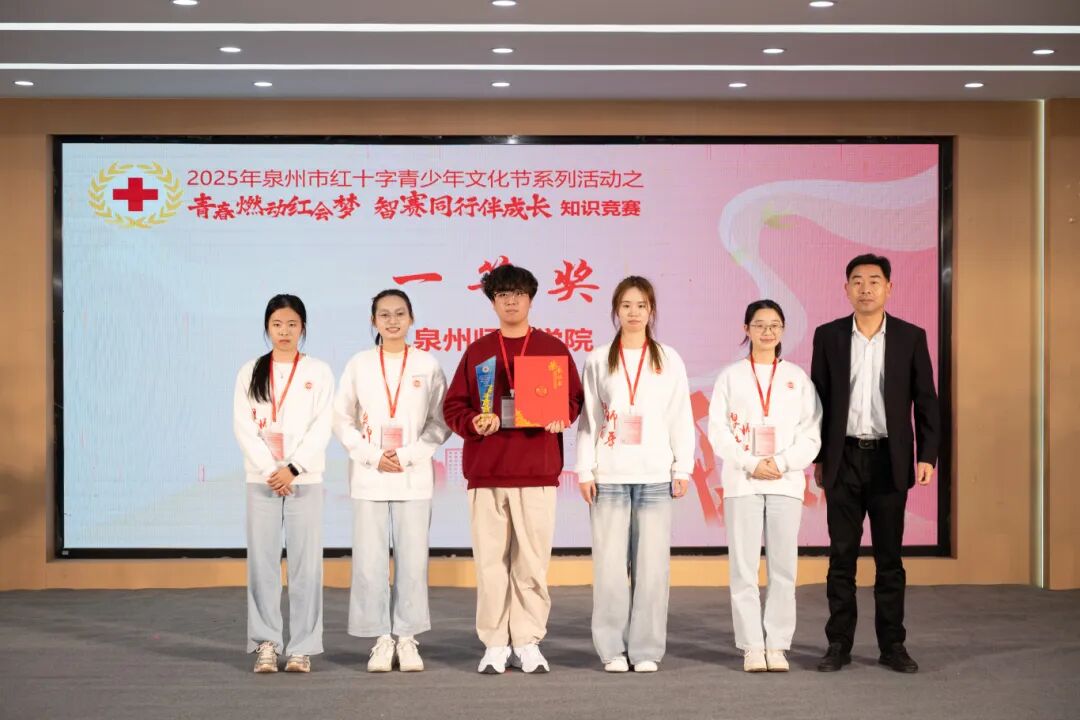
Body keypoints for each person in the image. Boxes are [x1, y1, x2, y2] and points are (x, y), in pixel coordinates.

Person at [442, 263, 584, 674]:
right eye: (502, 295)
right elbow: (454, 406)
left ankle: (527, 640)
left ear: (531, 299)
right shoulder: (478, 351)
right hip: (487, 472)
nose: (511, 302)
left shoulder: (552, 348)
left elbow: (574, 400)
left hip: (537, 471)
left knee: (532, 563)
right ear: (492, 302)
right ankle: (494, 642)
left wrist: (561, 415)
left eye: (518, 294)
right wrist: (474, 422)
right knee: (490, 564)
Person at [810, 254, 940, 674]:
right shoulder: (828, 336)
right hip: (843, 458)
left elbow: (926, 400)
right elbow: (817, 401)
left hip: (889, 459)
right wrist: (818, 456)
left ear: (889, 288)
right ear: (845, 288)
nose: (865, 288)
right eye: (857, 281)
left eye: (874, 281)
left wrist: (927, 455)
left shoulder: (910, 337)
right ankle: (838, 643)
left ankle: (893, 645)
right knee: (841, 558)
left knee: (889, 559)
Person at [576, 276, 695, 674]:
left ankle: (645, 649)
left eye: (641, 305)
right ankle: (611, 647)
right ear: (616, 310)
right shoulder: (598, 359)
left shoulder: (668, 359)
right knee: (610, 568)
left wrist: (682, 467)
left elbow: (680, 416)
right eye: (626, 305)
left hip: (655, 476)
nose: (633, 312)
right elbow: (589, 419)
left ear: (651, 310)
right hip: (609, 475)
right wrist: (584, 469)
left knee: (652, 569)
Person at [333, 289, 450, 673]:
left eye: (400, 313)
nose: (393, 320)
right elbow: (341, 418)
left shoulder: (427, 364)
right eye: (384, 314)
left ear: (411, 319)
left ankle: (407, 637)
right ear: (374, 321)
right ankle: (381, 639)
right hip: (370, 476)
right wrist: (371, 455)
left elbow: (441, 421)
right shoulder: (360, 364)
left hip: (412, 477)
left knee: (413, 561)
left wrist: (409, 454)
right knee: (370, 562)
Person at [708, 299, 822, 673]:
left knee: (783, 568)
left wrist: (782, 463)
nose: (767, 331)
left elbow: (811, 433)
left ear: (783, 330)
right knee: (743, 568)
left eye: (774, 325)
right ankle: (751, 646)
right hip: (743, 482)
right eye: (759, 325)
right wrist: (751, 463)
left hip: (785, 483)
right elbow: (718, 431)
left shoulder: (796, 378)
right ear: (746, 329)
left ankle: (777, 644)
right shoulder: (730, 377)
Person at [232, 294, 334, 674]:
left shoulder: (318, 371)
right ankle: (266, 643)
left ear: (303, 327)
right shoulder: (250, 371)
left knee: (306, 566)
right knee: (263, 564)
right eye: (277, 324)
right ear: (267, 328)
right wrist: (269, 470)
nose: (285, 331)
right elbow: (243, 426)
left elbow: (323, 425)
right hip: (261, 480)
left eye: (292, 324)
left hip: (304, 480)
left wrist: (293, 468)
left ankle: (302, 647)